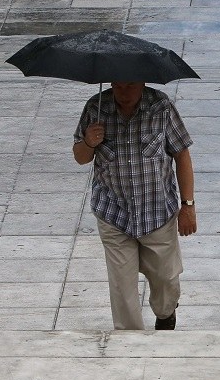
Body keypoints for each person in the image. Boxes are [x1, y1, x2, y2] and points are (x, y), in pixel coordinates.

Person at [73, 81, 196, 330]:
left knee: (165, 280)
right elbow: (80, 158)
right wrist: (88, 142)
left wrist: (188, 205)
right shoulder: (96, 109)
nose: (124, 93)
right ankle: (130, 345)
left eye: (131, 86)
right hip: (113, 213)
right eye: (118, 86)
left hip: (157, 213)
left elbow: (182, 154)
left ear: (142, 84)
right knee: (122, 288)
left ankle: (165, 315)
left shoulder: (160, 107)